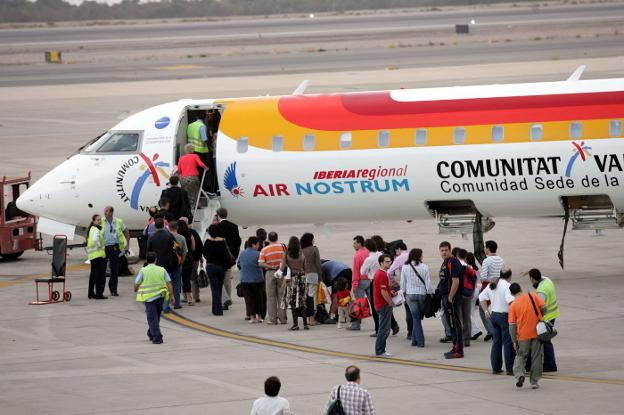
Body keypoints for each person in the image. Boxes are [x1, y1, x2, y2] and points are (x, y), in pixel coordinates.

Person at [508, 282, 547, 389]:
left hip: (523, 336)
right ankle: (534, 381)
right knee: (536, 357)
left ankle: (520, 375)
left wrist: (514, 341)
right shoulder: (533, 295)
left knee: (521, 356)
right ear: (521, 288)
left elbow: (512, 326)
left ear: (511, 293)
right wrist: (539, 317)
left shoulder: (513, 306)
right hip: (537, 333)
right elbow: (544, 308)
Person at [479, 267, 515, 375]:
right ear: (510, 276)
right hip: (505, 316)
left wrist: (486, 311)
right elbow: (511, 302)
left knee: (496, 342)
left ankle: (496, 367)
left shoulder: (493, 284)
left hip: (494, 315)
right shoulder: (508, 286)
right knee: (508, 342)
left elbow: (481, 297)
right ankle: (510, 368)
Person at [134, 252, 174, 344]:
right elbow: (169, 283)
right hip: (160, 297)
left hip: (149, 298)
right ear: (156, 260)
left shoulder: (143, 270)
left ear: (146, 260)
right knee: (156, 316)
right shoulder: (162, 270)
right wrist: (171, 295)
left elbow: (136, 284)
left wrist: (136, 289)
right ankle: (151, 333)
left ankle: (157, 337)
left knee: (152, 318)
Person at [528, 268, 560, 372]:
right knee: (546, 341)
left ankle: (550, 365)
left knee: (545, 341)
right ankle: (548, 363)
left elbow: (540, 308)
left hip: (546, 318)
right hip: (553, 314)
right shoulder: (547, 280)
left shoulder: (541, 291)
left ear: (532, 279)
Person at [400, 248, 432, 347]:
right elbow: (428, 282)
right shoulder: (424, 267)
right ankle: (417, 341)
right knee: (417, 318)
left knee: (415, 318)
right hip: (422, 294)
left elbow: (403, 283)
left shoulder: (405, 267)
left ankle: (417, 341)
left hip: (410, 294)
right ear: (419, 256)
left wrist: (403, 294)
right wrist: (429, 293)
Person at [438, 241, 464, 359]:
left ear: (450, 250)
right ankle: (455, 347)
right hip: (446, 297)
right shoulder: (445, 262)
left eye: (446, 250)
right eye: (442, 250)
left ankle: (458, 350)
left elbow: (456, 281)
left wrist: (450, 297)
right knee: (451, 324)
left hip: (452, 298)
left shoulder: (453, 262)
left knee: (455, 324)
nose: (444, 252)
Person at [215, 207, 241, 310]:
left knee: (219, 279)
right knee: (227, 279)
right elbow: (238, 241)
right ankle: (228, 298)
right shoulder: (234, 226)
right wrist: (234, 255)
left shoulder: (217, 227)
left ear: (218, 216)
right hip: (231, 257)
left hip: (220, 257)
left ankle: (225, 299)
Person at [260, 232, 287, 325]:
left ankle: (272, 319)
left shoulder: (264, 249)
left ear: (268, 239)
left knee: (271, 297)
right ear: (277, 238)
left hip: (270, 273)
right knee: (282, 295)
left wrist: (270, 266)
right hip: (281, 272)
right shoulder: (283, 247)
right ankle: (283, 318)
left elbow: (260, 263)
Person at [203, 223, 230, 316]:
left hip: (211, 266)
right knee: (219, 287)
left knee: (214, 289)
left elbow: (204, 254)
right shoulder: (223, 242)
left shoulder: (207, 242)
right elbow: (226, 255)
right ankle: (215, 308)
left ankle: (217, 309)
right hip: (221, 267)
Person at [480, 240, 505, 341]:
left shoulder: (486, 261)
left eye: (485, 247)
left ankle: (492, 330)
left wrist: (489, 280)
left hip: (488, 287)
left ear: (488, 249)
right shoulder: (501, 260)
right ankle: (496, 330)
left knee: (484, 310)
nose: (484, 249)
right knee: (496, 309)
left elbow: (483, 277)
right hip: (500, 286)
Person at [102, 206, 130, 297]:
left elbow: (126, 231)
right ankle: (100, 290)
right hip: (104, 248)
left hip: (115, 248)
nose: (105, 213)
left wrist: (127, 244)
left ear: (111, 212)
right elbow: (92, 229)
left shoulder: (118, 221)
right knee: (102, 270)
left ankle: (113, 290)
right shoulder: (101, 221)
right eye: (104, 211)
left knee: (114, 270)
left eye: (106, 211)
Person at [281, 236, 307, 331]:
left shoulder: (286, 253)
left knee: (293, 303)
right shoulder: (302, 253)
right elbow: (305, 268)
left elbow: (283, 267)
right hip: (302, 279)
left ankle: (295, 324)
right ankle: (305, 324)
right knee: (302, 302)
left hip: (292, 280)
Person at [240, 236, 265, 323]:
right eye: (257, 244)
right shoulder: (258, 254)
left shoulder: (242, 254)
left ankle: (252, 317)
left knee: (249, 299)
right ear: (253, 245)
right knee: (259, 298)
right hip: (257, 279)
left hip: (245, 280)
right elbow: (262, 264)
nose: (258, 246)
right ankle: (260, 317)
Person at [373, 254, 394, 357]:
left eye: (390, 261)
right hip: (383, 305)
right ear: (381, 263)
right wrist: (390, 302)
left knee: (384, 328)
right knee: (384, 329)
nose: (389, 263)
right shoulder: (382, 274)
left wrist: (391, 292)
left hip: (379, 304)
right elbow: (383, 291)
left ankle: (381, 349)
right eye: (387, 261)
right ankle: (380, 350)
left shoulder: (379, 273)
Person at [456, 249, 477, 347]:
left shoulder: (456, 266)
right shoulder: (470, 267)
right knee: (467, 317)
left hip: (458, 294)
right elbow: (474, 280)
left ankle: (459, 338)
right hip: (468, 293)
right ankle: (467, 339)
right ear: (465, 257)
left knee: (458, 317)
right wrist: (472, 291)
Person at [348, 236, 370, 331]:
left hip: (360, 281)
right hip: (370, 280)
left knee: (358, 304)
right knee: (374, 303)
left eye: (355, 243)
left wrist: (354, 283)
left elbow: (356, 271)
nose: (353, 245)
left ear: (359, 243)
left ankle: (356, 325)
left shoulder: (358, 255)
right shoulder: (368, 252)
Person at [387, 242, 409, 337]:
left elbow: (389, 272)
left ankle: (411, 332)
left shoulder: (400, 258)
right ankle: (414, 332)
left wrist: (392, 282)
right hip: (417, 287)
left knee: (408, 310)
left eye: (396, 250)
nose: (396, 253)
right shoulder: (411, 253)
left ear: (399, 249)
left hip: (406, 286)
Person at [177, 143, 207, 211]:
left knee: (186, 194)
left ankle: (188, 208)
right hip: (193, 178)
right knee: (195, 192)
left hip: (184, 179)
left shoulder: (181, 158)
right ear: (192, 150)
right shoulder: (195, 156)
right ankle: (195, 207)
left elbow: (179, 170)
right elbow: (200, 164)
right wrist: (206, 168)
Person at [300, 232, 322, 326]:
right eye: (313, 239)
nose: (314, 240)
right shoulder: (314, 249)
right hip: (313, 274)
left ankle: (306, 317)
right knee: (312, 296)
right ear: (310, 240)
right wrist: (320, 276)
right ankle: (311, 319)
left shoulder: (301, 250)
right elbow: (318, 264)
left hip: (303, 275)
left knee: (305, 296)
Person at [183, 218, 204, 304]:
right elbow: (199, 246)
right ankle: (196, 296)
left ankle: (186, 296)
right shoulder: (193, 232)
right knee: (194, 278)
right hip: (194, 259)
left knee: (184, 278)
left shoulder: (179, 234)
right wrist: (200, 257)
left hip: (183, 259)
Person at [87, 214, 107, 299]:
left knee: (93, 275)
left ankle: (91, 293)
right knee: (100, 276)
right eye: (98, 220)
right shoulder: (96, 230)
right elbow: (95, 240)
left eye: (100, 219)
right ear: (94, 221)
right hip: (98, 255)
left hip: (92, 255)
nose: (100, 221)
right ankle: (99, 294)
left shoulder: (91, 229)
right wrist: (99, 246)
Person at [168, 221, 186, 309]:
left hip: (167, 264)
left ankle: (167, 302)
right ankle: (177, 303)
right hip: (178, 264)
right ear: (177, 227)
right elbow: (184, 252)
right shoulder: (182, 238)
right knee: (176, 284)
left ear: (168, 227)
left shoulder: (166, 237)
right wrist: (181, 261)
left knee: (168, 283)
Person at [466, 252, 483, 341]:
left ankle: (476, 330)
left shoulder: (468, 268)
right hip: (477, 290)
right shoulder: (476, 268)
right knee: (471, 312)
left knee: (467, 313)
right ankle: (472, 331)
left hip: (471, 290)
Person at [177, 219, 195, 305]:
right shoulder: (189, 234)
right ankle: (189, 298)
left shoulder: (177, 236)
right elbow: (193, 247)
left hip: (180, 258)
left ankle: (182, 296)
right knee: (187, 279)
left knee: (179, 279)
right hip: (189, 258)